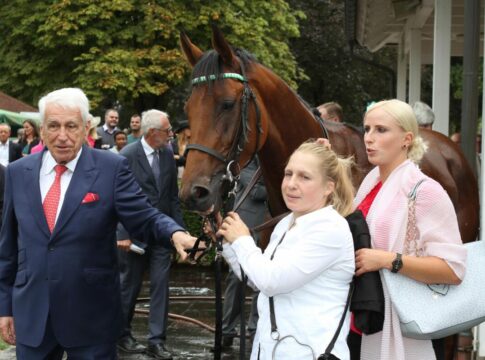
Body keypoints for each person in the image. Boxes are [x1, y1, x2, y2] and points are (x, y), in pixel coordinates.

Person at [0, 88, 197, 360]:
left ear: (85, 128)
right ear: (42, 130)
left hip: (91, 312)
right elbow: (8, 248)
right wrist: (5, 308)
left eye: (71, 126)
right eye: (54, 126)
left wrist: (175, 233)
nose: (62, 136)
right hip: (33, 311)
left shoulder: (111, 168)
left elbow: (144, 215)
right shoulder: (18, 173)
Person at [217, 141, 355, 360]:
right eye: (288, 174)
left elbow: (271, 281)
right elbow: (257, 279)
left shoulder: (330, 229)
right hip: (272, 350)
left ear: (329, 187)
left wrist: (242, 240)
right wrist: (227, 242)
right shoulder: (286, 223)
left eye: (304, 177)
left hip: (307, 352)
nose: (291, 184)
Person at [353, 99, 466, 360]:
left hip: (404, 325)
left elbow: (453, 269)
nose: (369, 138)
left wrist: (387, 260)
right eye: (367, 129)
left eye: (381, 130)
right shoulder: (369, 184)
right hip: (364, 317)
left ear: (406, 138)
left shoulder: (425, 191)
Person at [116, 110, 180, 359]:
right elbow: (117, 197)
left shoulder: (167, 155)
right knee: (128, 287)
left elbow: (172, 197)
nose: (171, 134)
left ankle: (157, 341)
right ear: (153, 133)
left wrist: (178, 232)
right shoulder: (127, 156)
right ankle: (122, 335)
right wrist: (122, 233)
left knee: (161, 286)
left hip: (162, 234)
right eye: (167, 130)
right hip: (133, 235)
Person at [221, 157, 267, 347]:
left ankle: (255, 328)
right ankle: (227, 331)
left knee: (264, 276)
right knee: (237, 278)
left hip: (269, 225)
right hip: (249, 222)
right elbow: (256, 191)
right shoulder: (248, 161)